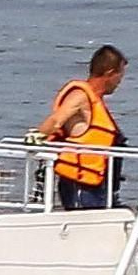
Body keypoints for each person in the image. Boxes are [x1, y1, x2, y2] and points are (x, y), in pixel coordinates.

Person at [31, 45, 126, 210]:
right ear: (109, 74)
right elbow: (56, 121)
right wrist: (36, 137)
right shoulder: (81, 96)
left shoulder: (96, 100)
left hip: (97, 184)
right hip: (81, 185)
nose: (119, 83)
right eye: (119, 77)